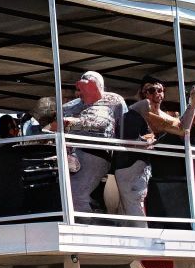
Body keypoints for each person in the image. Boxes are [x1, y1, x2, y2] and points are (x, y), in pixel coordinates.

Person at [61, 71, 127, 214]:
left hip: (97, 152)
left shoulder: (115, 100)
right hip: (71, 153)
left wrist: (120, 158)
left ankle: (88, 219)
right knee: (68, 193)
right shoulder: (69, 107)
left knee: (77, 194)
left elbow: (123, 127)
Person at [112, 76, 163, 226]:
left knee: (128, 209)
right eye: (151, 90)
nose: (156, 93)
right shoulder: (135, 111)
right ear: (142, 93)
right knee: (134, 206)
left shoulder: (152, 115)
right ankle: (142, 235)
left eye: (160, 90)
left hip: (136, 166)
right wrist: (146, 141)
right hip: (130, 165)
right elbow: (131, 140)